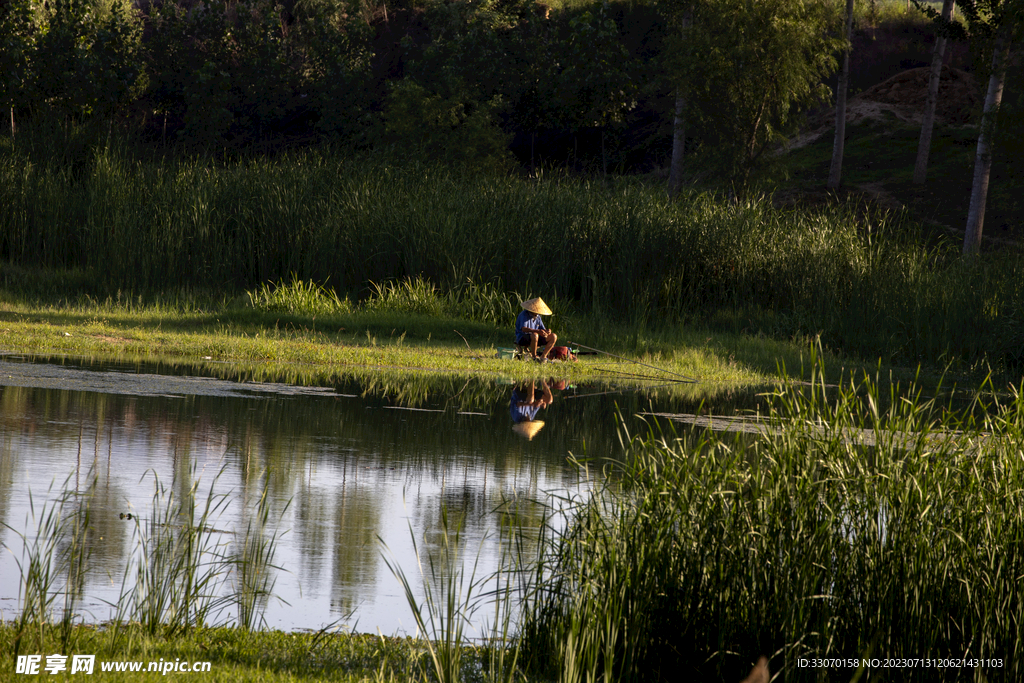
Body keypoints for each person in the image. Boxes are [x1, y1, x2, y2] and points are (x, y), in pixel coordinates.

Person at [514, 297, 557, 362]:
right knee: (535, 335)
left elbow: (542, 329)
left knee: (554, 336)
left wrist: (547, 331)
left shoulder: (538, 317)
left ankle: (543, 357)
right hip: (523, 338)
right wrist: (537, 331)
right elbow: (524, 329)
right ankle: (534, 356)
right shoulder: (524, 315)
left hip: (536, 338)